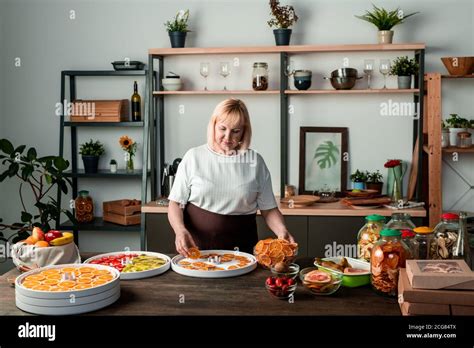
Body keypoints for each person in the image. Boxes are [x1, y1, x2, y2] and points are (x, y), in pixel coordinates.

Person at [168, 98, 295, 256]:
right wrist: (180, 231)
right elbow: (176, 204)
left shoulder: (256, 162)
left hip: (243, 251)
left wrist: (282, 231)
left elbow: (268, 209)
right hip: (196, 249)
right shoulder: (193, 157)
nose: (228, 137)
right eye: (222, 128)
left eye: (236, 131)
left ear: (244, 131)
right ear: (213, 125)